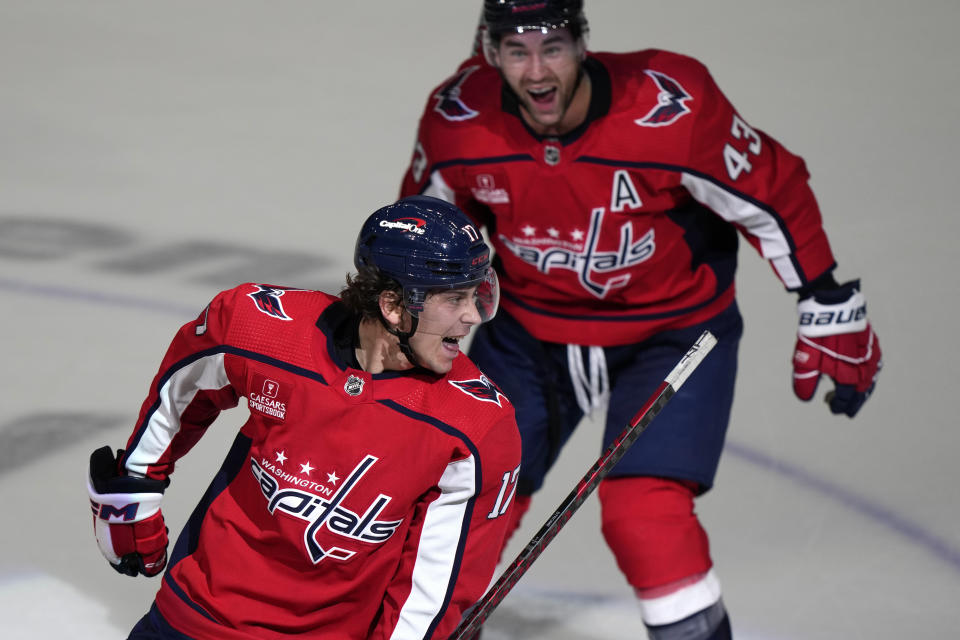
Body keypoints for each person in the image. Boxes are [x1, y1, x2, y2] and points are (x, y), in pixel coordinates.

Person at [399, 2, 883, 638]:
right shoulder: (458, 119)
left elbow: (772, 186)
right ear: (491, 52)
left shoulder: (669, 109)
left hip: (672, 336)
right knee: (467, 496)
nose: (537, 69)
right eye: (517, 50)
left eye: (553, 46)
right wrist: (407, 335)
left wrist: (824, 298)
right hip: (529, 334)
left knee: (644, 517)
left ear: (584, 44)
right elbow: (418, 237)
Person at [86, 195, 522, 640]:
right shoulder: (265, 328)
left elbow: (433, 591)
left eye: (476, 294)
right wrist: (136, 483)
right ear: (393, 306)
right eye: (455, 299)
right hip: (191, 620)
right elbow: (185, 383)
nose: (472, 316)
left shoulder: (476, 426)